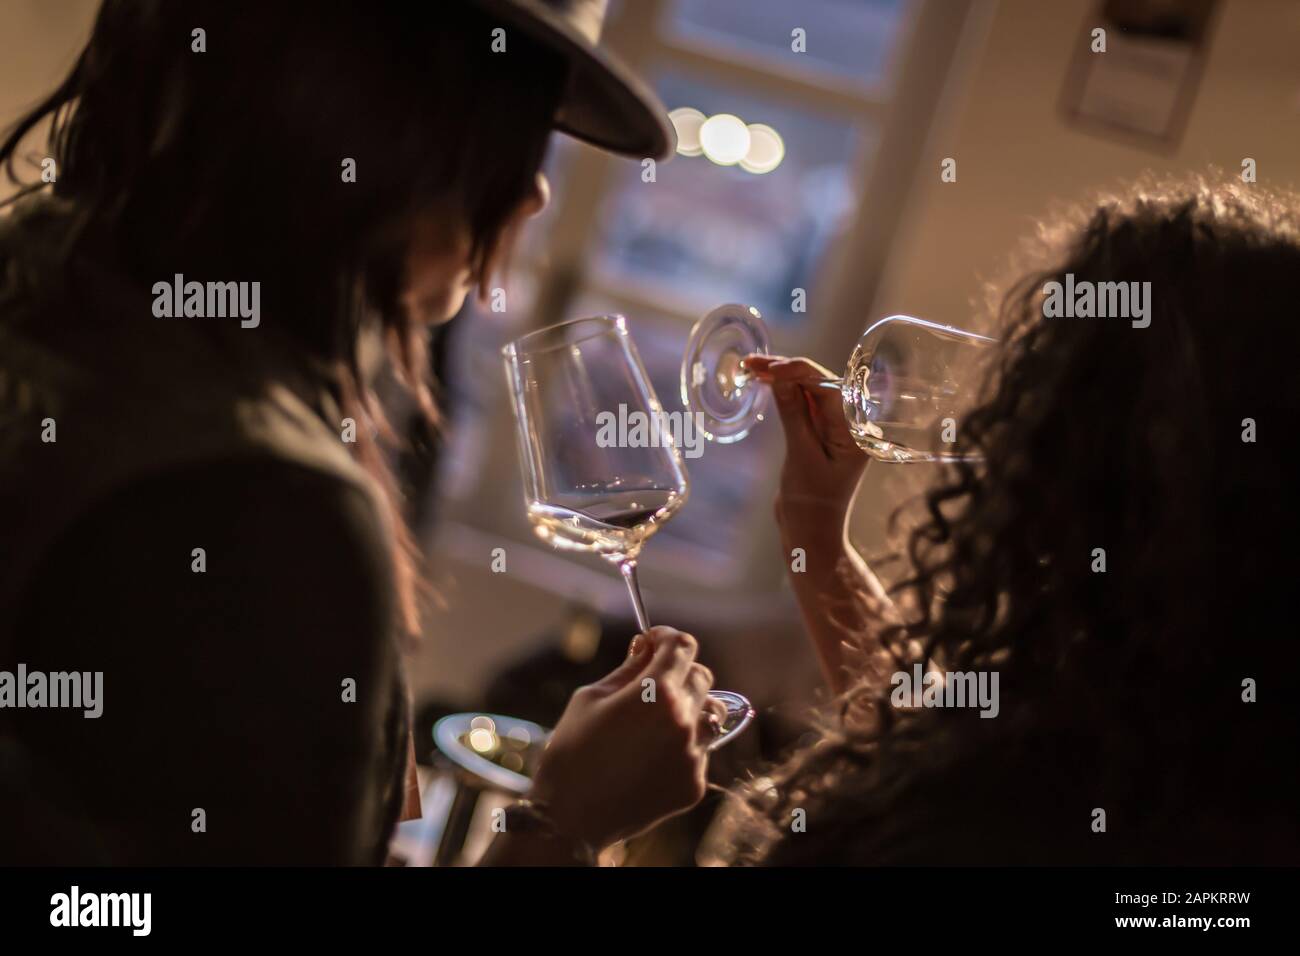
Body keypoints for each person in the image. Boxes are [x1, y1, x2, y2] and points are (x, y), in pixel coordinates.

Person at [0, 0, 720, 865]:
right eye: (513, 128)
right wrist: (566, 823)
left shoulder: (45, 273)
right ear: (370, 113)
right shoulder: (264, 504)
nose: (533, 191)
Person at [719, 175, 1300, 865]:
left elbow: (945, 783)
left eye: (1042, 382)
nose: (1006, 426)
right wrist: (814, 528)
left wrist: (570, 824)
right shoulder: (1202, 737)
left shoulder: (973, 820)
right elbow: (930, 735)